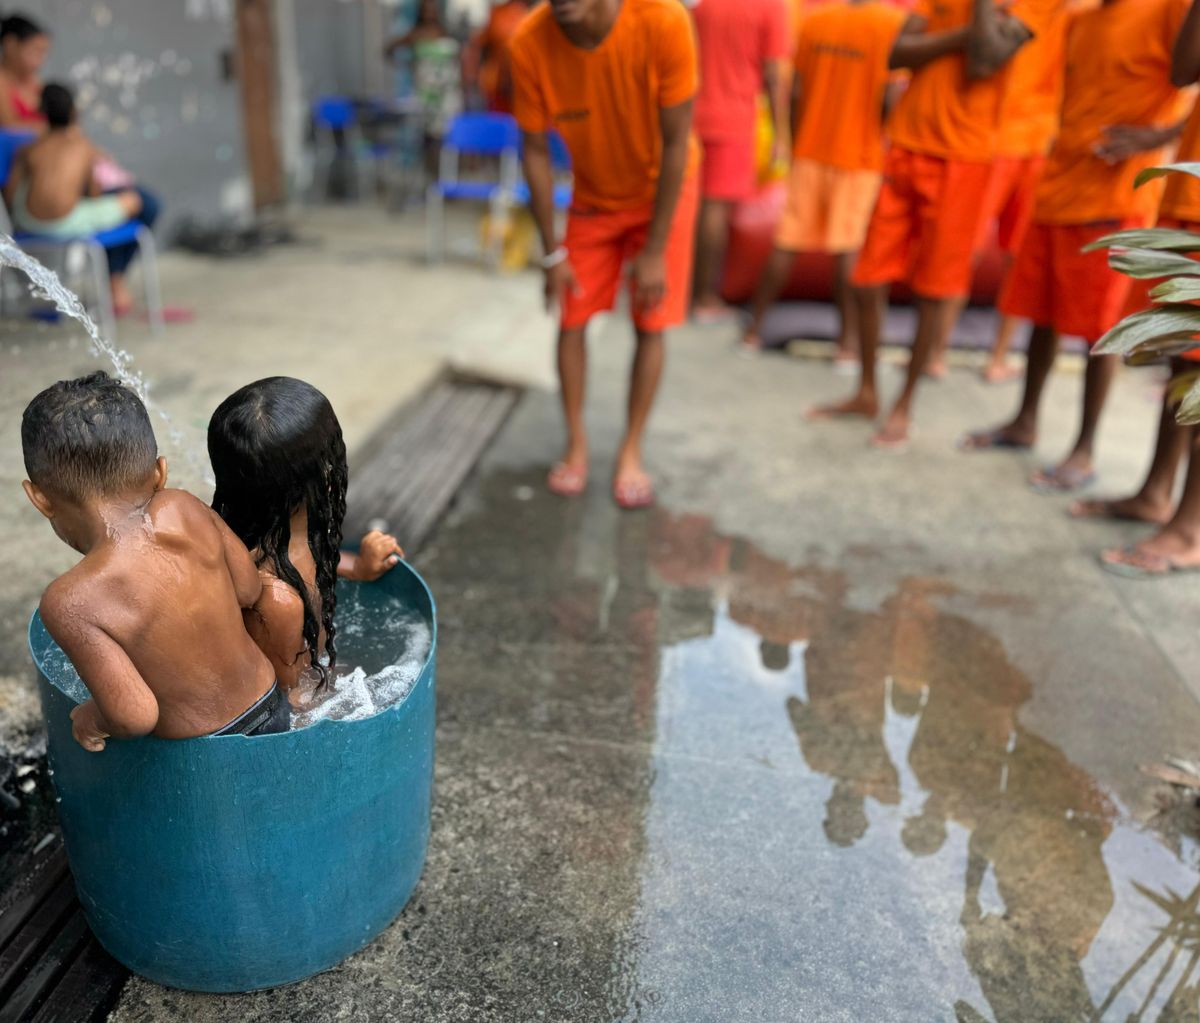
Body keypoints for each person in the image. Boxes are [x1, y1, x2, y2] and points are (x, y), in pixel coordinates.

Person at [963, 0, 1191, 495]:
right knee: (1039, 315)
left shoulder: (1167, 9)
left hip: (1117, 199)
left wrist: (1160, 137)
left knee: (1101, 332)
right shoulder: (1077, 18)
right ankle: (1025, 420)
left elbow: (1192, 79)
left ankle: (1084, 450)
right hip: (1058, 186)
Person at [818, 0, 1053, 445]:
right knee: (866, 278)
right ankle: (866, 391)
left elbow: (983, 63)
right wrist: (962, 38)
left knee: (934, 287)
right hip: (907, 143)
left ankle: (903, 404)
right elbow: (896, 53)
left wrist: (957, 37)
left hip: (965, 157)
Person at [20, 372, 285, 751]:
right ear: (160, 472)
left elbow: (133, 715)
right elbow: (248, 589)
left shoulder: (69, 602)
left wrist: (90, 717)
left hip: (206, 754)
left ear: (39, 499)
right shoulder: (184, 506)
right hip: (271, 699)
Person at [510, 0, 700, 508]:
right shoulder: (529, 42)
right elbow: (532, 150)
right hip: (594, 198)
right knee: (570, 317)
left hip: (665, 191)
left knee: (650, 320)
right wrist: (552, 254)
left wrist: (656, 249)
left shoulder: (663, 20)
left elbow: (679, 141)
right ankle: (576, 443)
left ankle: (631, 447)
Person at [1088, 0, 1200, 575]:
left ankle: (1191, 527)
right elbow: (1184, 71)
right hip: (1191, 190)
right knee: (1184, 358)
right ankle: (1158, 493)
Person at [208, 377, 404, 698]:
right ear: (324, 472)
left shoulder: (295, 526)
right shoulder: (274, 600)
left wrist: (358, 569)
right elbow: (290, 699)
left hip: (309, 661)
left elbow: (313, 559)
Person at [740, 0, 908, 366]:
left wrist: (797, 140)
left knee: (787, 241)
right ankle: (847, 345)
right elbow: (890, 96)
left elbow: (796, 90)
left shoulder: (815, 22)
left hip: (810, 151)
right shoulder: (892, 25)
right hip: (859, 157)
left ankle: (753, 329)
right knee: (848, 251)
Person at [5, 84, 159, 317]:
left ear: (42, 112)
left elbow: (11, 192)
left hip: (27, 222)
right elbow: (93, 195)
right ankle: (115, 279)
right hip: (64, 222)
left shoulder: (28, 149)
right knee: (136, 202)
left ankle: (114, 282)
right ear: (74, 113)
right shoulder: (82, 147)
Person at [689, 0, 790, 323]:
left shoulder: (702, 3)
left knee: (690, 206)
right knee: (715, 210)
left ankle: (682, 290)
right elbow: (774, 73)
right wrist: (781, 132)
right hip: (734, 120)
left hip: (689, 115)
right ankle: (704, 297)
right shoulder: (771, 7)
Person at [468, 0, 535, 113]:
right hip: (498, 90)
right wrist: (473, 78)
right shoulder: (498, 14)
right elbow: (476, 46)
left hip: (528, 90)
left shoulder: (540, 14)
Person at [0, 14, 48, 129]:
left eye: (43, 53)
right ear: (10, 44)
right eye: (35, 51)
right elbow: (9, 127)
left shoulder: (34, 82)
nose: (40, 61)